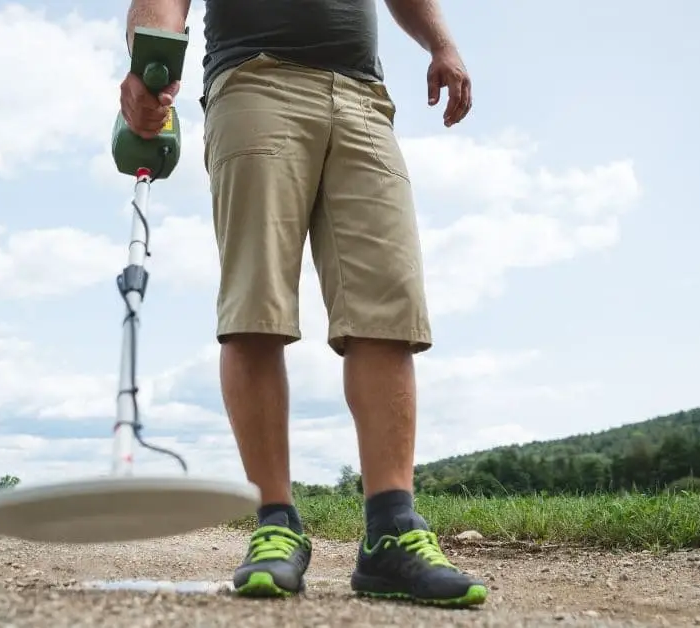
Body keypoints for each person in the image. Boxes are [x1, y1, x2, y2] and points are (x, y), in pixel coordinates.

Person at [119, 0, 486, 608]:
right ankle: (274, 522)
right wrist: (149, 66)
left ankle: (392, 532)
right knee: (256, 307)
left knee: (386, 310)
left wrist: (441, 44)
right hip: (255, 81)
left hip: (364, 96)